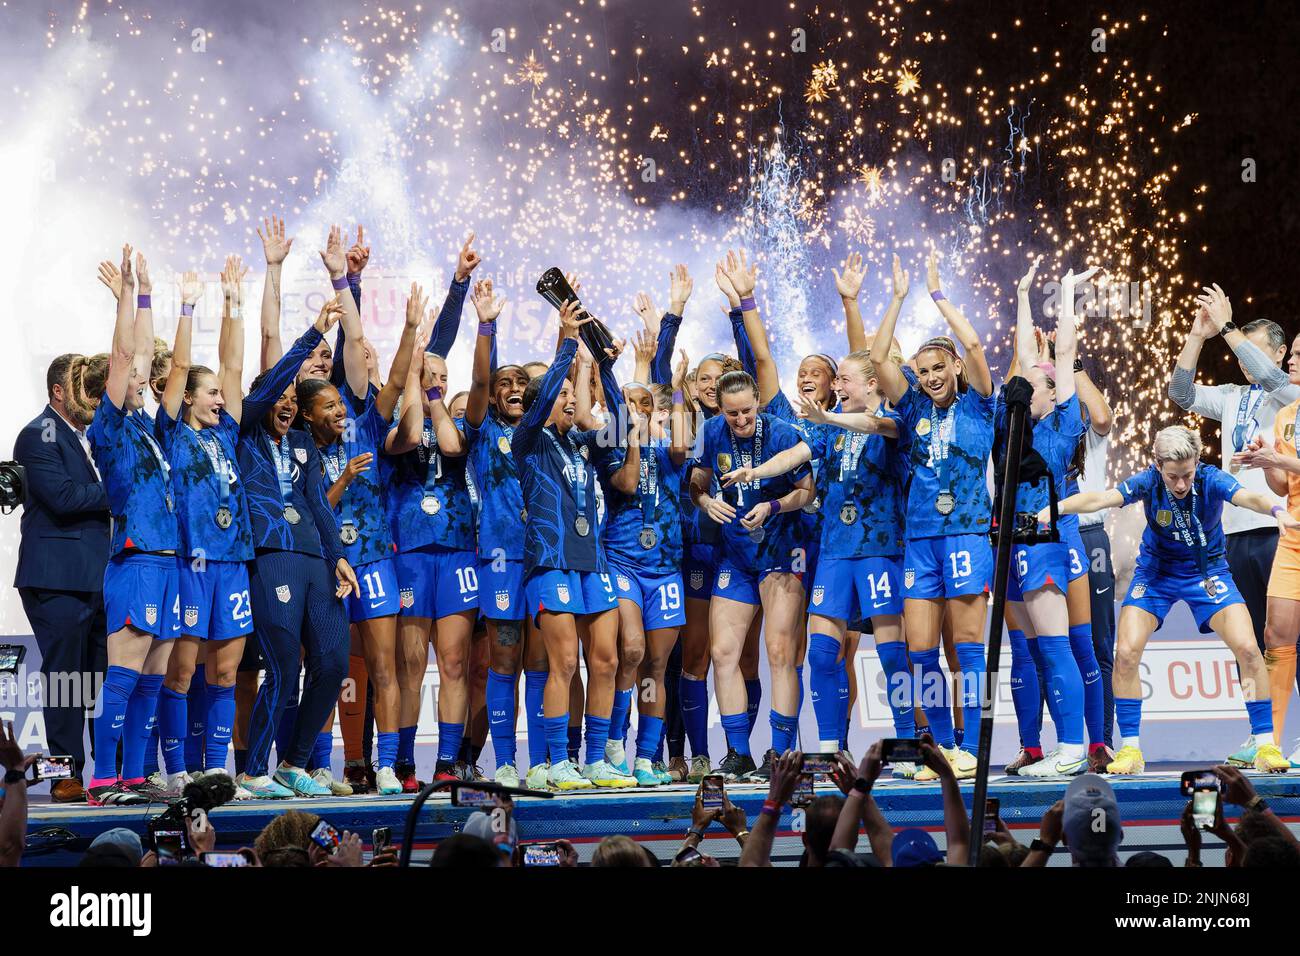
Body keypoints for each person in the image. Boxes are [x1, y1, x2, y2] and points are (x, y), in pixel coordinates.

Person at [1051, 424, 1294, 773]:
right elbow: (1101, 499)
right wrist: (1054, 507)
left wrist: (1275, 510)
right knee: (1126, 652)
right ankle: (1131, 750)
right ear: (1158, 465)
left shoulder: (1211, 479)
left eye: (1187, 475)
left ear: (1197, 462)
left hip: (1208, 573)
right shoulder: (1149, 481)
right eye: (1172, 476)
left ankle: (1266, 745)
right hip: (1156, 575)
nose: (1180, 485)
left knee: (1248, 648)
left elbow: (1247, 497)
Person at [298, 257, 424, 795]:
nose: (339, 412)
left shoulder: (367, 423)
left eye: (340, 404)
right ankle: (319, 766)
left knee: (385, 665)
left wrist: (411, 329)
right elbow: (315, 507)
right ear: (311, 412)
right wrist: (346, 478)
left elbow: (389, 375)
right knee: (327, 666)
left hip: (374, 560)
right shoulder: (297, 447)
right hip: (329, 565)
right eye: (328, 405)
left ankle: (391, 764)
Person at [871, 249, 996, 780]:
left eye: (936, 369)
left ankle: (973, 745)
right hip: (919, 538)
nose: (928, 378)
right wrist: (897, 299)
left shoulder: (980, 403)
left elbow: (970, 341)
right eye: (921, 372)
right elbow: (878, 361)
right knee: (920, 650)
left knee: (967, 647)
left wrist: (938, 295)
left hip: (967, 532)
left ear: (955, 368)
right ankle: (940, 745)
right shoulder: (915, 406)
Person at [692, 251, 816, 781]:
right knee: (723, 651)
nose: (741, 420)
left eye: (748, 411)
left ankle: (782, 750)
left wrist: (773, 504)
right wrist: (703, 501)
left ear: (758, 405)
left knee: (779, 650)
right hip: (735, 557)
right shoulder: (712, 432)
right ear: (720, 408)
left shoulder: (784, 431)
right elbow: (697, 476)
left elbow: (807, 492)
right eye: (732, 413)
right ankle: (738, 751)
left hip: (782, 552)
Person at [1168, 285, 1299, 768]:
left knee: (1291, 640)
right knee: (1254, 643)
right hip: (1233, 537)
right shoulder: (1231, 397)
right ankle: (1261, 734)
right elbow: (1180, 393)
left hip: (1279, 530)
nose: (1244, 361)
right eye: (1239, 351)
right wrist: (1199, 337)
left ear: (1282, 353)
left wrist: (1227, 328)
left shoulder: (1290, 391)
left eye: (1253, 349)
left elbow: (1267, 375)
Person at [236, 295, 358, 798]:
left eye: (294, 397)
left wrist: (340, 557)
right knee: (284, 663)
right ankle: (252, 770)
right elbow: (270, 385)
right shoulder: (244, 431)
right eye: (280, 395)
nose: (287, 403)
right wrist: (312, 334)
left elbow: (318, 506)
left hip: (314, 561)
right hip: (271, 558)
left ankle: (294, 763)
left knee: (332, 662)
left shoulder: (305, 445)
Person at [513, 297, 631, 790]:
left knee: (606, 659)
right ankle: (557, 761)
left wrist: (604, 368)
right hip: (551, 563)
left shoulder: (581, 445)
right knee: (563, 663)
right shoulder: (529, 441)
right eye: (560, 395)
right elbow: (540, 404)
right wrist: (566, 343)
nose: (567, 400)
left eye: (569, 394)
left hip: (593, 561)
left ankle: (596, 760)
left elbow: (620, 426)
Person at [154, 256, 258, 795]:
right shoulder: (173, 434)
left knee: (224, 675)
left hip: (233, 564)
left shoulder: (226, 436)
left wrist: (235, 303)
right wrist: (189, 307)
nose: (220, 398)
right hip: (190, 565)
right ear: (188, 398)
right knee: (181, 673)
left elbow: (235, 367)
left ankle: (217, 769)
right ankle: (176, 772)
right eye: (210, 392)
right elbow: (175, 372)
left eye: (221, 393)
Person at [84, 246, 182, 806]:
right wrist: (123, 297)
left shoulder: (145, 427)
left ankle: (137, 775)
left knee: (154, 674)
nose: (144, 373)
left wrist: (147, 292)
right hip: (135, 559)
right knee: (124, 673)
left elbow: (141, 350)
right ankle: (103, 780)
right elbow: (125, 353)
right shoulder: (111, 428)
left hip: (165, 561)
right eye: (135, 377)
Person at [998, 260, 1095, 777]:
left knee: (1056, 648)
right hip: (1011, 545)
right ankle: (1052, 749)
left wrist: (1065, 292)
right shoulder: (1015, 429)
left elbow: (1061, 354)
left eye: (1031, 386)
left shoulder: (1063, 425)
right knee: (1032, 653)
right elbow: (1028, 357)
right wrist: (1021, 293)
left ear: (1052, 394)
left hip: (1046, 544)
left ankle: (1074, 750)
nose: (1020, 389)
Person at [386, 259, 478, 788]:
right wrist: (416, 384)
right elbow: (412, 432)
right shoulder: (396, 426)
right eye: (429, 375)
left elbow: (448, 443)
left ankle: (446, 763)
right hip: (412, 552)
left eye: (445, 376)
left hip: (458, 552)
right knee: (410, 663)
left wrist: (459, 287)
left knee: (456, 663)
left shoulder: (460, 425)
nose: (438, 381)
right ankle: (400, 761)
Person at [13, 352, 111, 803]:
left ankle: (109, 774)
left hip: (98, 579)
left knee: (101, 682)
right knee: (67, 680)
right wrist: (124, 486)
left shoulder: (88, 438)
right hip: (58, 580)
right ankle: (65, 774)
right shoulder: (40, 433)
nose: (92, 398)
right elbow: (65, 496)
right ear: (59, 391)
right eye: (85, 389)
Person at [598, 359, 691, 786]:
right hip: (622, 563)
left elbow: (681, 445)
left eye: (644, 403)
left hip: (666, 569)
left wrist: (674, 389)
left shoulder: (671, 453)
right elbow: (629, 484)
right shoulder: (608, 446)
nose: (637, 408)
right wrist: (633, 438)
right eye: (629, 403)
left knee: (656, 664)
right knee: (631, 651)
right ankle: (614, 740)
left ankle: (645, 757)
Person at [462, 282, 535, 787]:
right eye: (504, 383)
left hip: (549, 559)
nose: (512, 388)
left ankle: (551, 759)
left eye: (521, 384)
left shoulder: (547, 431)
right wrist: (487, 327)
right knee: (503, 660)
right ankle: (504, 761)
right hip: (501, 560)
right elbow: (482, 380)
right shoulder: (485, 430)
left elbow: (558, 386)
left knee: (546, 662)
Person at [1232, 328, 1300, 763]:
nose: (1291, 361)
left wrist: (1280, 459)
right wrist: (1265, 459)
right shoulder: (1287, 414)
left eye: (1299, 355)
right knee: (1275, 635)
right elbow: (1282, 483)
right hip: (1293, 536)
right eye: (1291, 353)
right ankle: (1269, 741)